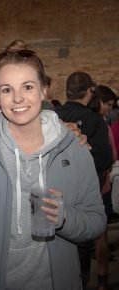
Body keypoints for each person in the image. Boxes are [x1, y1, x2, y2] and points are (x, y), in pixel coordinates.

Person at [0, 48, 106, 290]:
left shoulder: (74, 147)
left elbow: (96, 221)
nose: (18, 98)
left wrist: (65, 219)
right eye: (7, 89)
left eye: (27, 87)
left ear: (43, 91)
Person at [55, 72, 113, 288]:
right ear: (89, 92)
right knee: (81, 249)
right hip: (83, 199)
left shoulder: (54, 114)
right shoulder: (95, 120)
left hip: (54, 195)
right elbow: (104, 159)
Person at [89, 84, 118, 290]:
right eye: (109, 104)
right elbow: (112, 156)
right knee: (101, 231)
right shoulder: (100, 124)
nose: (110, 108)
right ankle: (102, 277)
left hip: (91, 184)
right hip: (100, 184)